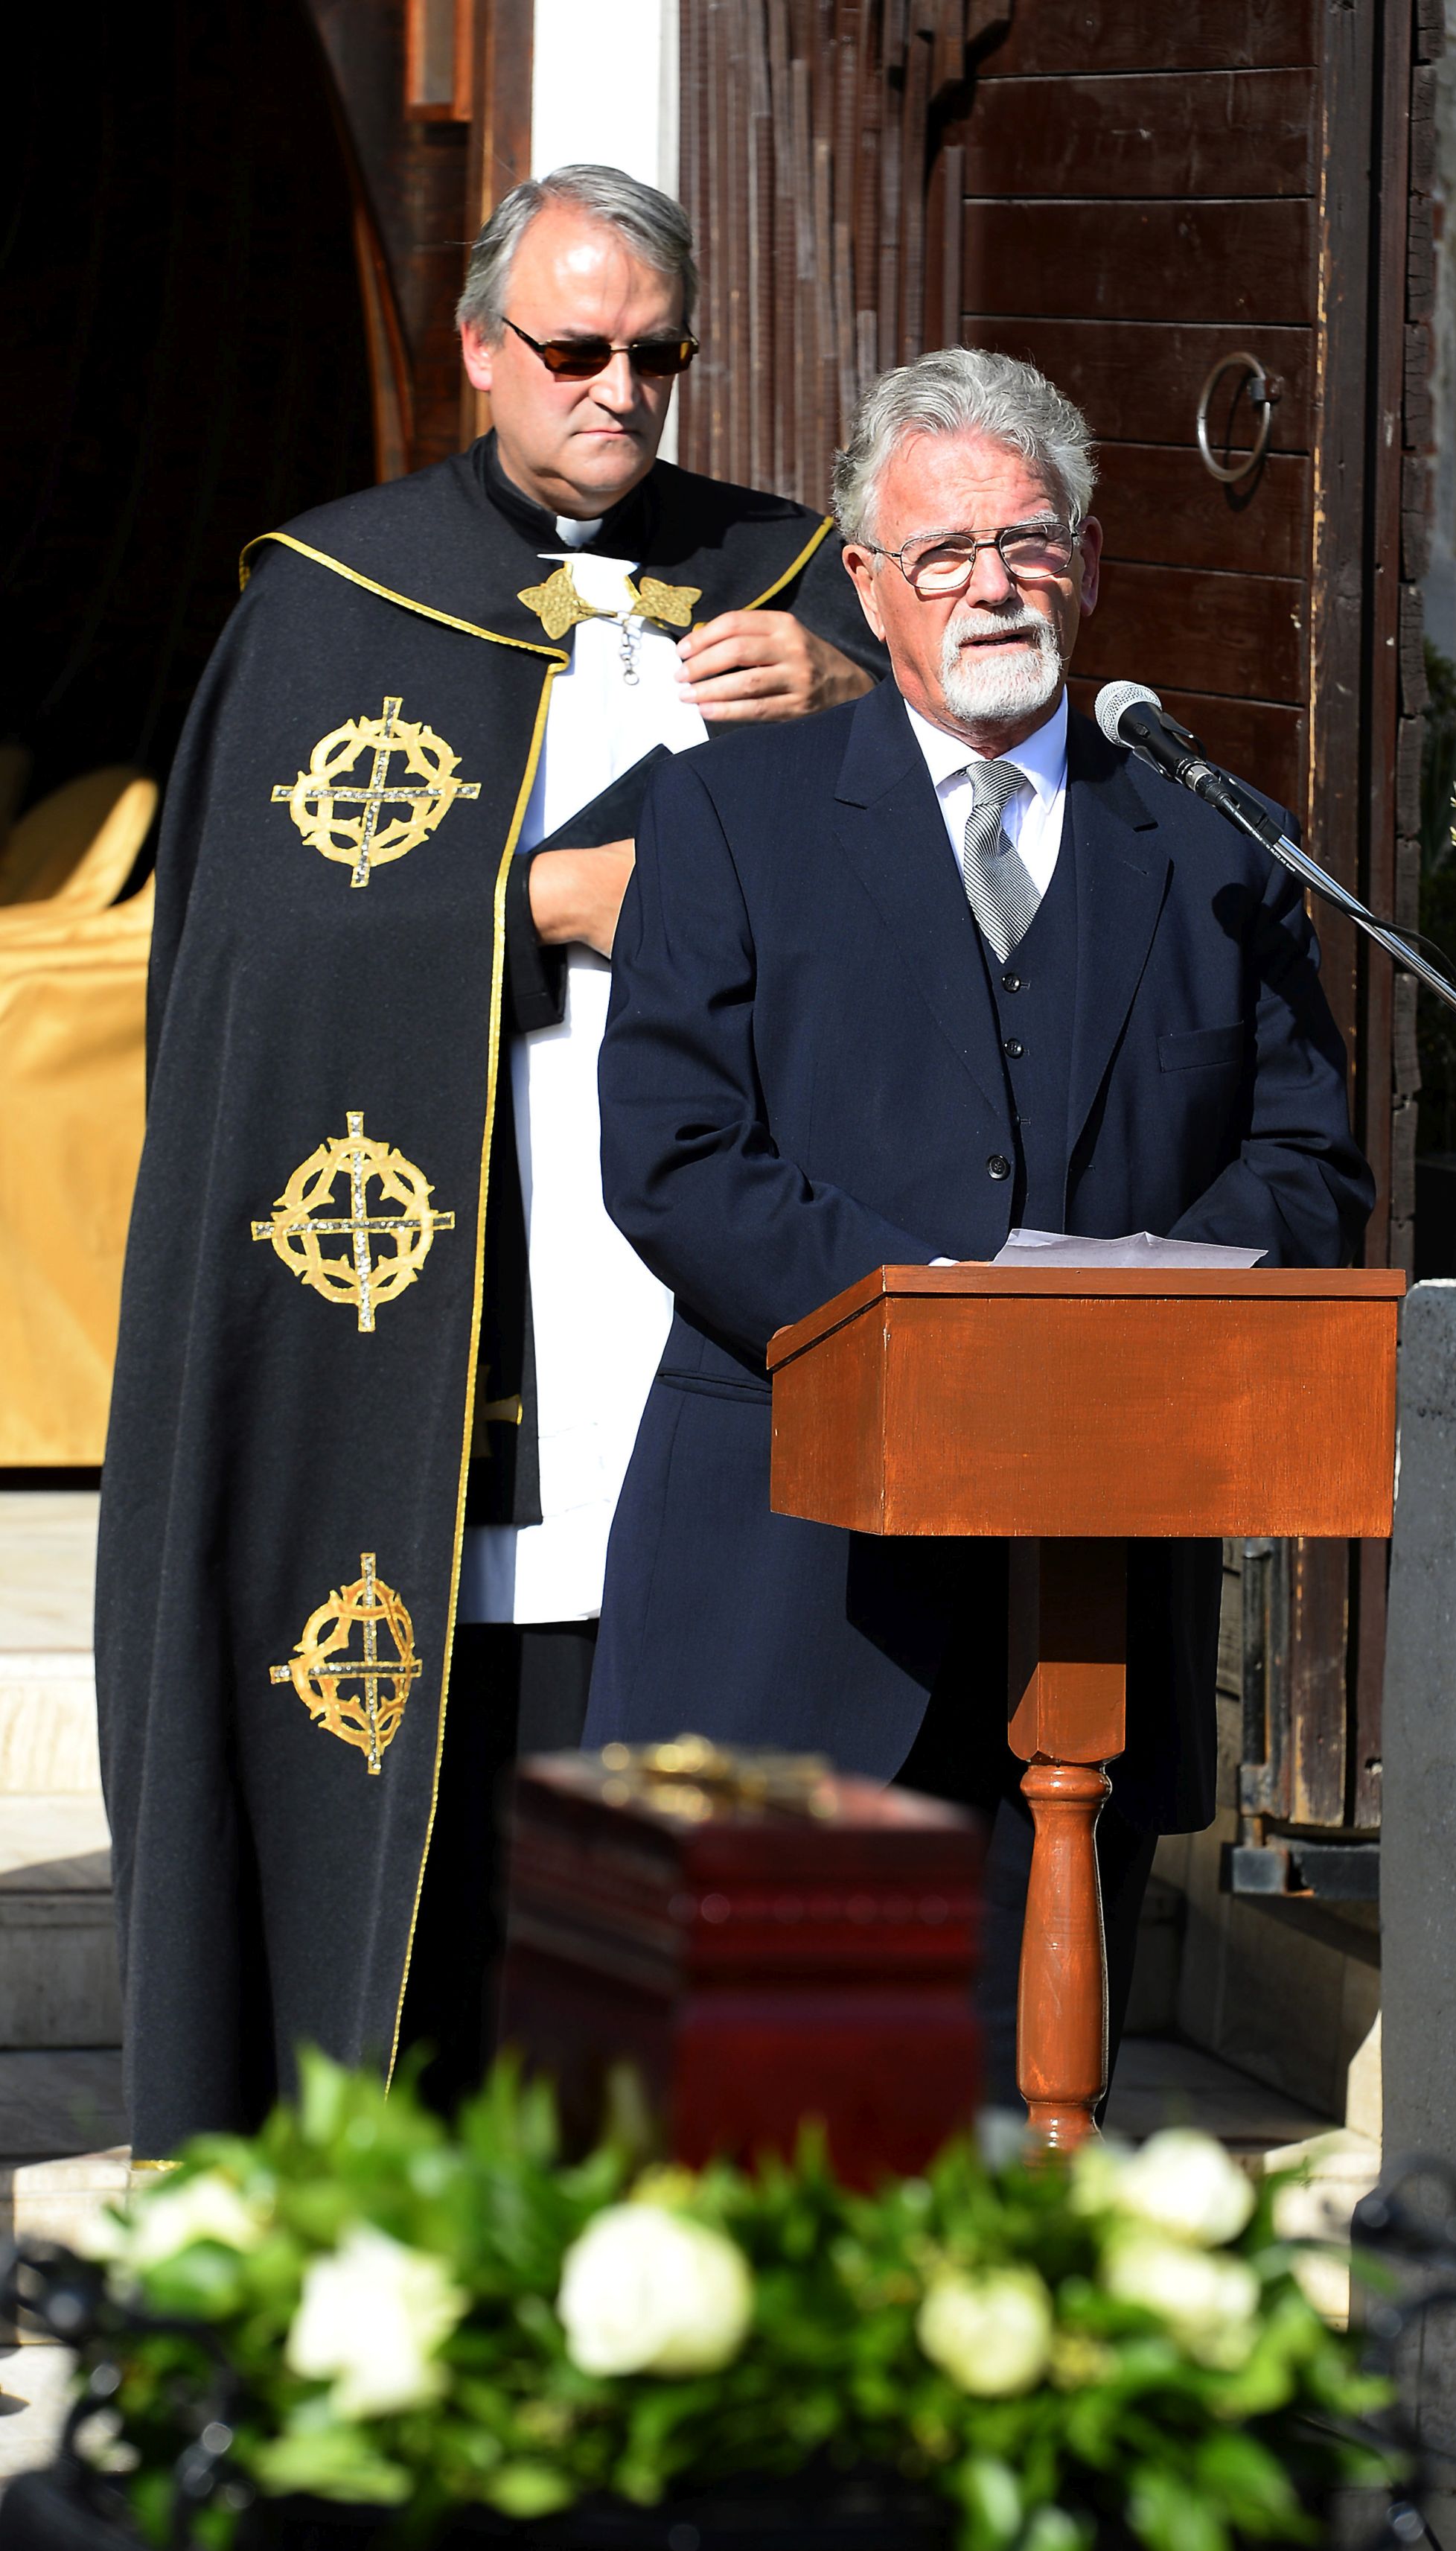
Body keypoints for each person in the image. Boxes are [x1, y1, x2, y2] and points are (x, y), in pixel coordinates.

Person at [95, 165, 884, 2154]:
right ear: (476, 350)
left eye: (658, 356)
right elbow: (254, 957)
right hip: (432, 1271)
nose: (620, 392)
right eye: (575, 349)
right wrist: (534, 906)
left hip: (704, 1291)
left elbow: (978, 877)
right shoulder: (330, 596)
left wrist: (863, 704)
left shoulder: (792, 583)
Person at [585, 346, 1373, 2105]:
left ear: (1088, 566)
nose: (992, 586)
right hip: (791, 1573)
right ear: (867, 585)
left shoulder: (1213, 843)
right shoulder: (730, 817)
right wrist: (936, 1331)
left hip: (1080, 1594)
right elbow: (679, 1158)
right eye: (942, 553)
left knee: (1020, 2130)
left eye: (1027, 542)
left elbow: (1309, 1166)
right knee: (744, 2127)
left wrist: (1126, 1311)